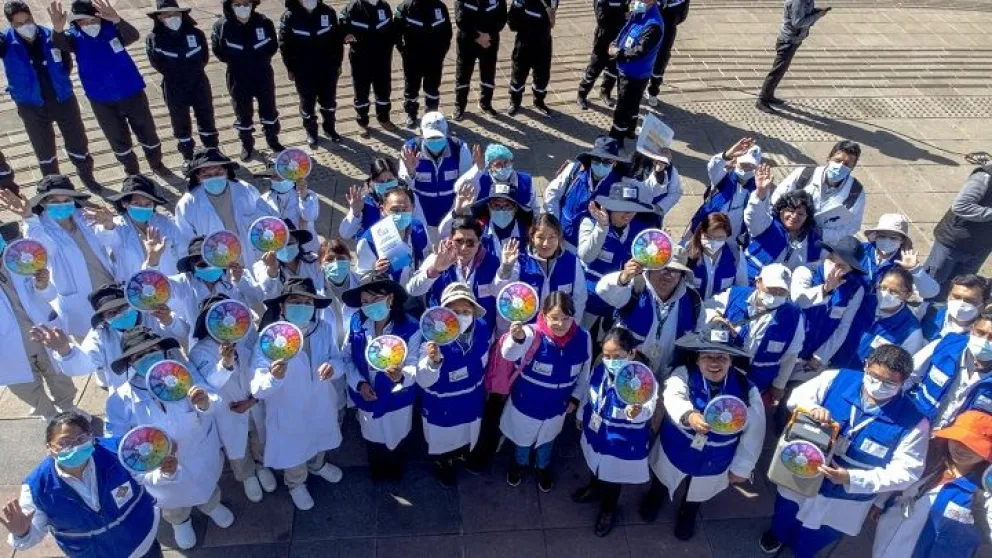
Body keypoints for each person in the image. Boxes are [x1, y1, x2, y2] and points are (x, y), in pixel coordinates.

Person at [760, 345, 929, 558]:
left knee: (821, 533)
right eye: (874, 376)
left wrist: (851, 478)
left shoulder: (915, 423)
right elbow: (796, 398)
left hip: (847, 496)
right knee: (786, 509)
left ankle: (802, 552)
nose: (878, 386)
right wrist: (811, 408)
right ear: (866, 365)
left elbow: (907, 472)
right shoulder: (836, 378)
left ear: (903, 382)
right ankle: (777, 534)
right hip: (804, 470)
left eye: (889, 383)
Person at [105, 328, 234, 551]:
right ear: (130, 362)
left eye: (152, 350)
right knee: (170, 499)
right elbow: (117, 442)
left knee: (207, 483)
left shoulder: (184, 373)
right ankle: (179, 521)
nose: (147, 358)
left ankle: (211, 505)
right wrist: (148, 455)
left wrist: (204, 402)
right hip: (158, 464)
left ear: (163, 351)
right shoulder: (120, 399)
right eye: (139, 356)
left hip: (198, 450)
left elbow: (211, 395)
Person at [640, 324, 764, 540]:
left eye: (722, 357)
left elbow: (754, 433)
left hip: (715, 457)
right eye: (708, 356)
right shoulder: (684, 374)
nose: (714, 363)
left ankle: (688, 513)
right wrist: (689, 415)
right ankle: (655, 498)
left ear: (731, 360)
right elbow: (673, 395)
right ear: (697, 359)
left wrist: (742, 468)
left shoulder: (747, 390)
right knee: (662, 477)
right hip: (677, 447)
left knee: (698, 490)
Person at [0, 411, 161, 557]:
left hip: (143, 543)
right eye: (64, 442)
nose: (74, 447)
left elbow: (150, 477)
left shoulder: (119, 451)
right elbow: (31, 536)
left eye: (81, 439)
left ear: (91, 438)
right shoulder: (36, 488)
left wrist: (167, 472)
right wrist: (22, 533)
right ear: (49, 448)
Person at [250, 277, 346, 510]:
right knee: (293, 449)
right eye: (295, 301)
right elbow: (257, 387)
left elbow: (338, 359)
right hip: (288, 407)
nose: (302, 306)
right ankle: (296, 483)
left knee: (320, 437)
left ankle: (317, 465)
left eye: (307, 302)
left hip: (320, 402)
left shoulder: (323, 329)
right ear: (282, 307)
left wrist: (333, 368)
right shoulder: (269, 338)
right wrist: (274, 376)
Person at [52, 0, 165, 176]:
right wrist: (57, 29)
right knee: (117, 139)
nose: (88, 25)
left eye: (92, 20)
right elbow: (60, 44)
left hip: (131, 91)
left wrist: (117, 19)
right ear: (76, 23)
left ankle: (156, 163)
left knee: (147, 132)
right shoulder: (74, 37)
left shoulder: (112, 29)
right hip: (101, 99)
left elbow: (133, 36)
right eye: (83, 22)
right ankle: (132, 172)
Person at [188, 294, 277, 504]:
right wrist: (225, 364)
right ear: (207, 321)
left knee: (259, 436)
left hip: (254, 402)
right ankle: (247, 474)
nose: (226, 322)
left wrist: (253, 400)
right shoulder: (199, 351)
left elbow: (261, 366)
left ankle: (262, 464)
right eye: (218, 318)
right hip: (227, 410)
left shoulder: (247, 337)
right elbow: (210, 383)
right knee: (237, 447)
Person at [1, 0, 99, 189]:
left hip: (63, 100)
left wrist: (61, 82)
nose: (25, 26)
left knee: (78, 142)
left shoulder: (50, 35)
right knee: (44, 150)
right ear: (11, 24)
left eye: (27, 20)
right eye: (18, 24)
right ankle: (53, 187)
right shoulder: (5, 41)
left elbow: (66, 63)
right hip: (31, 106)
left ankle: (87, 177)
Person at [3, 175, 117, 337]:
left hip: (109, 290)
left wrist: (109, 224)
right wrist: (28, 217)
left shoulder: (87, 216)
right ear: (43, 203)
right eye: (55, 202)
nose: (62, 205)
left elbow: (112, 243)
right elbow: (43, 249)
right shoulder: (38, 227)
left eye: (66, 200)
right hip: (78, 306)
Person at [872, 410, 992, 558]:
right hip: (887, 542)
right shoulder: (929, 457)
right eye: (957, 440)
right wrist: (880, 502)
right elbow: (899, 478)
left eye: (972, 446)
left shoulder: (985, 492)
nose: (961, 449)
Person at [501, 292, 590, 491]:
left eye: (566, 318)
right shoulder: (530, 333)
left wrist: (576, 398)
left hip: (557, 407)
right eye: (554, 318)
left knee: (547, 441)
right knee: (522, 441)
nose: (560, 324)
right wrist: (516, 339)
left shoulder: (584, 337)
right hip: (527, 404)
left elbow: (584, 373)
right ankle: (519, 465)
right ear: (543, 315)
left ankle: (542, 468)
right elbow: (508, 354)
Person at [573, 326, 657, 537]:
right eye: (607, 356)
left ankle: (608, 510)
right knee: (594, 463)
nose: (611, 361)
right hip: (597, 432)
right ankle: (594, 488)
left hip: (621, 441)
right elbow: (589, 392)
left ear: (631, 353)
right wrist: (580, 414)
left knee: (613, 477)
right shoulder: (600, 369)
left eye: (617, 356)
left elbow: (649, 408)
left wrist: (636, 411)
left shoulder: (644, 380)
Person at [341, 273, 421, 481]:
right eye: (365, 301)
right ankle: (377, 471)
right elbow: (346, 357)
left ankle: (396, 470)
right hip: (367, 395)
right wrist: (359, 384)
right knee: (372, 437)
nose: (371, 305)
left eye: (376, 298)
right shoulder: (357, 323)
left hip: (398, 398)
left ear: (390, 298)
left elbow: (414, 364)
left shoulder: (411, 327)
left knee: (398, 436)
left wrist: (401, 376)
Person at [415, 282, 493, 486]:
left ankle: (461, 454)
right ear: (443, 314)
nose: (461, 316)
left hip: (472, 398)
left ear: (474, 312)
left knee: (467, 433)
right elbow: (423, 379)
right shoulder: (431, 335)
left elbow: (485, 358)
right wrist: (432, 362)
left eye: (466, 311)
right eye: (454, 311)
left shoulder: (482, 328)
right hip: (442, 403)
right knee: (442, 439)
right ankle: (443, 465)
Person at [0, 222, 78, 422]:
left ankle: (69, 409)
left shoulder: (21, 257)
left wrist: (43, 285)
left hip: (41, 328)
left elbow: (49, 295)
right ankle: (49, 415)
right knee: (23, 385)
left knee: (57, 371)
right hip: (7, 342)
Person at [49, 283, 188, 392]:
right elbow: (85, 364)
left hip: (175, 380)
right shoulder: (99, 335)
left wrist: (169, 321)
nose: (119, 314)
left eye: (122, 307)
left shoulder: (154, 314)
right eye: (111, 313)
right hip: (133, 395)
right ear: (103, 319)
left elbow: (184, 333)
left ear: (131, 304)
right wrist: (65, 351)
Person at [596, 246, 702, 374]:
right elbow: (603, 290)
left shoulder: (692, 299)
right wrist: (623, 277)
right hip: (628, 373)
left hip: (669, 375)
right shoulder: (635, 286)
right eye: (662, 268)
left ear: (682, 275)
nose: (668, 274)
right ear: (650, 269)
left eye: (675, 270)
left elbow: (701, 332)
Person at [705, 264, 804, 397]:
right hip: (722, 373)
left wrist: (779, 385)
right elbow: (707, 308)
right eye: (772, 288)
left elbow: (790, 356)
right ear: (758, 282)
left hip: (757, 384)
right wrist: (716, 319)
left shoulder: (794, 316)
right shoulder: (734, 295)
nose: (776, 294)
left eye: (782, 291)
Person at [174, 147, 278, 269]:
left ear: (227, 171)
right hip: (216, 265)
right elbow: (185, 243)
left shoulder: (245, 190)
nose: (213, 178)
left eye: (218, 173)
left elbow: (264, 221)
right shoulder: (187, 205)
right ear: (197, 176)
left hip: (253, 258)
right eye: (207, 175)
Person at [144, 0, 218, 167]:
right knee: (180, 121)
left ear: (182, 14)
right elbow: (156, 63)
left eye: (176, 14)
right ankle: (188, 156)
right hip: (173, 85)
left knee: (206, 116)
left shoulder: (196, 34)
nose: (172, 18)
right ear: (159, 18)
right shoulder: (154, 39)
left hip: (198, 82)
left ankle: (212, 151)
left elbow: (204, 57)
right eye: (167, 15)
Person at [211, 0, 284, 160]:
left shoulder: (264, 22)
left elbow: (273, 46)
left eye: (246, 3)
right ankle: (247, 144)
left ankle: (272, 139)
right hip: (237, 75)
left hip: (263, 72)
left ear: (252, 5)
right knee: (242, 111)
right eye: (237, 4)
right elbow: (218, 51)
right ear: (230, 5)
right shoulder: (221, 26)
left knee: (269, 108)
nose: (242, 7)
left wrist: (260, 59)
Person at [578, 180, 656, 329]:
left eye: (633, 210)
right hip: (588, 298)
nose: (629, 215)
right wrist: (602, 227)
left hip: (618, 301)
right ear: (610, 207)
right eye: (623, 209)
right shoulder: (590, 223)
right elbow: (586, 256)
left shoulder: (641, 231)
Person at [790, 236, 868, 384]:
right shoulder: (805, 271)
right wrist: (825, 289)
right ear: (827, 256)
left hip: (812, 358)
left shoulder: (855, 289)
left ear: (851, 269)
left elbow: (843, 326)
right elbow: (799, 301)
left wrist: (821, 356)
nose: (834, 269)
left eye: (842, 267)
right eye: (833, 261)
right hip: (789, 346)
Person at [908, 309, 992, 429]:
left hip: (955, 439)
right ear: (972, 329)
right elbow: (908, 376)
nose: (985, 342)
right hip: (915, 425)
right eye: (980, 332)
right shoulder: (945, 345)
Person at [408, 216, 505, 320]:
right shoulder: (437, 258)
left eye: (470, 243)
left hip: (480, 327)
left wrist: (506, 269)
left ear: (479, 241)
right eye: (459, 241)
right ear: (451, 239)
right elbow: (413, 290)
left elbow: (500, 296)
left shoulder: (492, 262)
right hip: (442, 325)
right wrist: (435, 270)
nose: (464, 248)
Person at [769, 141, 866, 243]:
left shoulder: (856, 193)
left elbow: (853, 226)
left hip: (818, 244)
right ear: (829, 159)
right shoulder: (804, 174)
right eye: (838, 160)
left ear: (852, 168)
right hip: (784, 232)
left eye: (846, 164)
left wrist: (823, 234)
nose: (840, 166)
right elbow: (777, 198)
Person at [167, 236, 265, 336]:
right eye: (203, 265)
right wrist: (156, 257)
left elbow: (256, 299)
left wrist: (240, 280)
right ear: (192, 266)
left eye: (212, 261)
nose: (210, 267)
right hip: (204, 343)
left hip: (243, 339)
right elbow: (160, 282)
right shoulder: (185, 281)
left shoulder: (239, 273)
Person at [498, 214, 587, 323]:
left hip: (558, 327)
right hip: (527, 327)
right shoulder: (520, 260)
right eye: (540, 237)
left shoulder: (571, 262)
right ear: (532, 237)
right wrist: (506, 268)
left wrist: (570, 326)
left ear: (559, 238)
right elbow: (500, 294)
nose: (546, 243)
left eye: (552, 237)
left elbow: (579, 299)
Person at [543, 136, 628, 249]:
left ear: (615, 163)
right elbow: (552, 194)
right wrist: (555, 227)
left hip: (592, 247)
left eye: (607, 162)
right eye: (597, 159)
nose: (601, 165)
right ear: (591, 159)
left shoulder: (621, 184)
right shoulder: (574, 170)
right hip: (561, 238)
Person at [279, 0, 344, 147]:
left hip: (327, 66)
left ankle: (330, 129)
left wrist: (338, 63)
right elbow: (284, 44)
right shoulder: (289, 17)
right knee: (307, 102)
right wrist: (290, 68)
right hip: (303, 69)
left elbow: (337, 40)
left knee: (329, 101)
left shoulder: (328, 12)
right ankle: (311, 132)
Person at [833, 267, 925, 370]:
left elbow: (901, 370)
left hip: (862, 378)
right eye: (883, 287)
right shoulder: (862, 302)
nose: (885, 294)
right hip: (833, 366)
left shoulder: (911, 331)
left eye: (894, 291)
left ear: (908, 294)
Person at [397, 112, 474, 235]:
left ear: (447, 133)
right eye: (430, 138)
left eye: (439, 137)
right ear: (421, 134)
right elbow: (404, 188)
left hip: (452, 214)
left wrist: (458, 211)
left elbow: (466, 183)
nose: (435, 141)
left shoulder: (460, 148)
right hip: (422, 215)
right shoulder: (409, 150)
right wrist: (410, 172)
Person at [99, 174, 187, 280]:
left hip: (169, 283)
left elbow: (183, 250)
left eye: (147, 204)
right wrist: (107, 226)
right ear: (124, 203)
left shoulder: (164, 222)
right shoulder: (115, 227)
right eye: (136, 203)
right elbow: (105, 241)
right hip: (134, 286)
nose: (143, 207)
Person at [744, 164, 821, 281]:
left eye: (800, 214)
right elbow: (753, 214)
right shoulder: (766, 225)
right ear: (781, 210)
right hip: (748, 280)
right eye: (790, 211)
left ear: (807, 217)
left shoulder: (812, 241)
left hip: (780, 289)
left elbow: (815, 267)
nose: (794, 216)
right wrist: (761, 193)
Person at [927, 162, 992, 298]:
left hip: (981, 248)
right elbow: (961, 206)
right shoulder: (984, 177)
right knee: (932, 283)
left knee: (963, 288)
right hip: (953, 242)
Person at [756, 0, 829, 112]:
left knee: (780, 70)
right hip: (788, 41)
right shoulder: (798, 2)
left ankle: (769, 95)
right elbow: (798, 22)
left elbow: (804, 14)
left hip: (794, 39)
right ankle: (762, 100)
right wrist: (817, 15)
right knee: (777, 71)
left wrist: (816, 11)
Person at [608, 0, 663, 148]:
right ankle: (630, 131)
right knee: (632, 105)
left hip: (634, 74)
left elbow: (639, 51)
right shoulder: (641, 10)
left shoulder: (653, 25)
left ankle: (615, 140)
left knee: (622, 108)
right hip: (627, 69)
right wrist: (616, 42)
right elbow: (627, 28)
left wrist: (617, 52)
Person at [339, 0, 398, 136]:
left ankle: (384, 118)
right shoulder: (351, 8)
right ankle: (362, 122)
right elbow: (342, 29)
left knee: (383, 88)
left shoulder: (384, 6)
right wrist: (346, 36)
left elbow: (391, 30)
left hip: (382, 57)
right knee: (361, 90)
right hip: (360, 58)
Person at [355, 187, 432, 287]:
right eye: (395, 210)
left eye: (405, 209)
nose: (400, 214)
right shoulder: (368, 240)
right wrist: (375, 273)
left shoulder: (419, 227)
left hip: (416, 289)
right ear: (382, 210)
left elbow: (427, 256)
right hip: (387, 293)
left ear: (413, 208)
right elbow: (360, 280)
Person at [394, 0, 452, 128]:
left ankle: (431, 115)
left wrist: (442, 52)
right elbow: (396, 32)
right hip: (412, 57)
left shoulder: (440, 7)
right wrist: (403, 51)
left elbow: (447, 32)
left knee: (432, 87)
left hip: (434, 57)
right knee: (411, 87)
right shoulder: (404, 8)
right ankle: (411, 114)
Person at [691, 138, 760, 244]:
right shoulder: (723, 177)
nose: (747, 168)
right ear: (736, 162)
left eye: (751, 165)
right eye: (744, 164)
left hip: (732, 236)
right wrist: (727, 154)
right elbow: (713, 166)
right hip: (705, 230)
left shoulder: (757, 188)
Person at [859, 213, 939, 301]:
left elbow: (930, 293)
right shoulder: (860, 249)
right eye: (882, 236)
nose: (887, 241)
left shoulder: (905, 262)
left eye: (893, 238)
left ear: (902, 240)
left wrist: (915, 269)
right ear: (876, 235)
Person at [452, 0, 506, 120]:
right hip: (467, 41)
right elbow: (460, 20)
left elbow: (502, 18)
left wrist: (488, 35)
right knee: (463, 75)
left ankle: (485, 104)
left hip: (489, 41)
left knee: (488, 73)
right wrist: (477, 36)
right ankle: (459, 106)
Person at [454, 143, 540, 215]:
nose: (503, 167)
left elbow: (535, 208)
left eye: (506, 162)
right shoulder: (480, 180)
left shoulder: (526, 180)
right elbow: (458, 187)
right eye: (498, 164)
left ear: (512, 163)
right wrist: (476, 169)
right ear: (489, 167)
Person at [506, 0, 556, 117]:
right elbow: (511, 24)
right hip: (524, 44)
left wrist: (550, 11)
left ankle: (539, 101)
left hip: (543, 45)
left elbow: (552, 22)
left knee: (542, 76)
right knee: (518, 76)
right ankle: (515, 102)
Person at [574, 0, 626, 110]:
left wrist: (623, 17)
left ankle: (605, 93)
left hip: (617, 39)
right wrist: (622, 18)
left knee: (613, 69)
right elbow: (602, 19)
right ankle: (581, 95)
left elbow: (626, 10)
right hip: (603, 39)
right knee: (594, 68)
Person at [683, 212, 747, 301]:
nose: (713, 242)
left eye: (720, 238)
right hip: (693, 307)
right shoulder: (686, 253)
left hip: (720, 308)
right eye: (708, 237)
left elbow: (742, 288)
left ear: (727, 236)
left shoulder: (736, 255)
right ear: (701, 233)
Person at [339, 158, 405, 240]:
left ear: (396, 178)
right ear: (373, 181)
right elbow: (345, 234)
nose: (386, 184)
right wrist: (355, 213)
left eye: (389, 180)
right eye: (381, 181)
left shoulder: (406, 196)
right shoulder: (363, 201)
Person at [255, 219, 322, 298]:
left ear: (298, 242)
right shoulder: (261, 266)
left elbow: (322, 290)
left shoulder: (313, 260)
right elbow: (267, 294)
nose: (285, 248)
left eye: (290, 243)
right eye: (280, 244)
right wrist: (272, 269)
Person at [644, 0, 688, 107]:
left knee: (660, 58)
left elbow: (682, 15)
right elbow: (641, 5)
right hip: (650, 25)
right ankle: (640, 87)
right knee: (643, 54)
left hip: (666, 28)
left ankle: (652, 91)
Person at [921, 274, 988, 342]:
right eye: (956, 297)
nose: (961, 304)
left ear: (984, 305)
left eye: (970, 301)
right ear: (948, 296)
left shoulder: (985, 334)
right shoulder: (928, 311)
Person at [262, 176, 319, 254]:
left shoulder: (308, 194)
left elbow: (310, 216)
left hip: (308, 247)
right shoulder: (263, 201)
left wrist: (303, 197)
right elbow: (264, 230)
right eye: (275, 175)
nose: (279, 178)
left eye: (282, 174)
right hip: (281, 250)